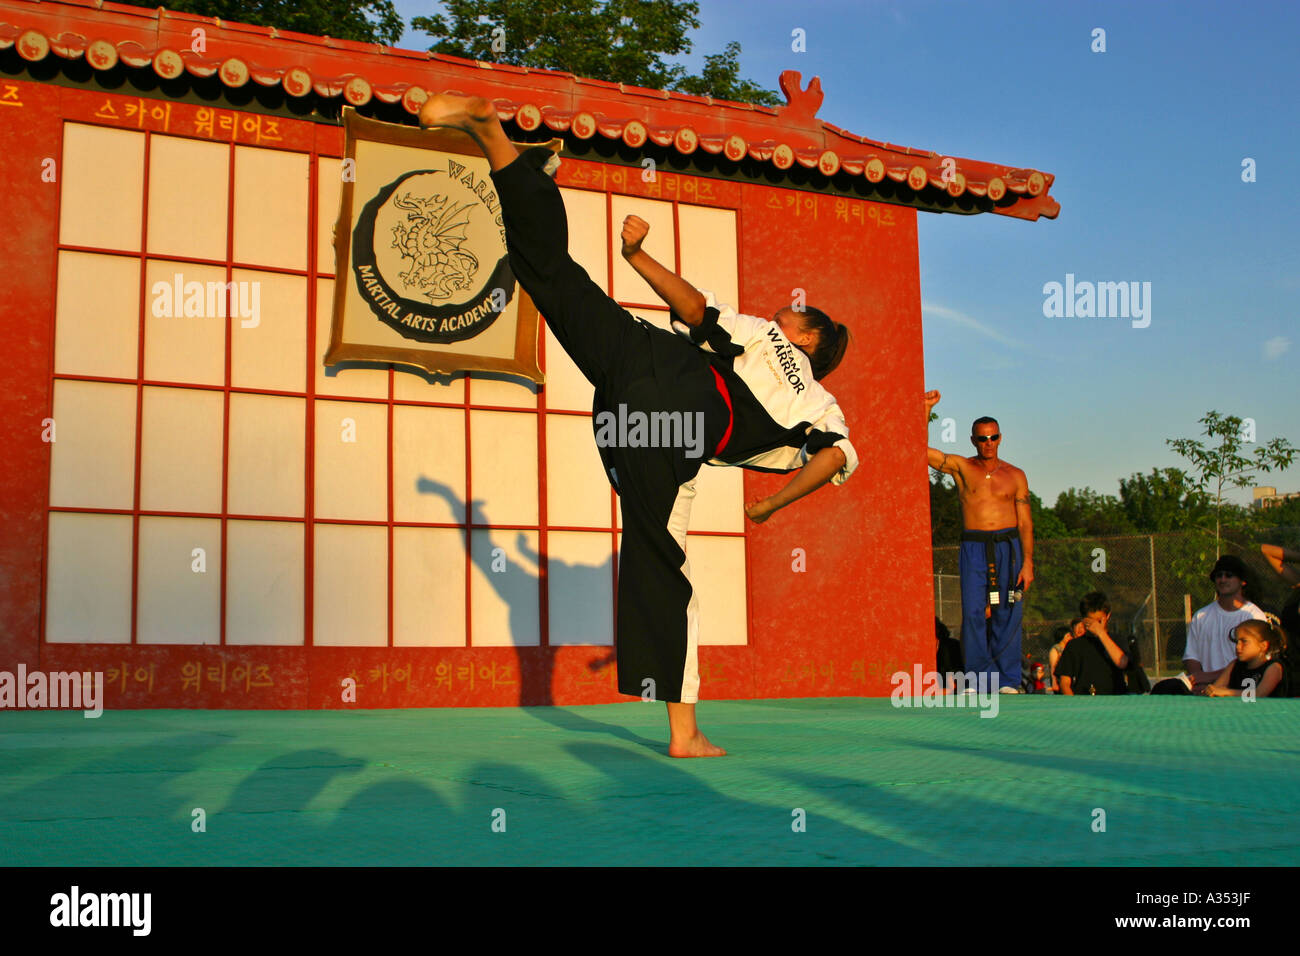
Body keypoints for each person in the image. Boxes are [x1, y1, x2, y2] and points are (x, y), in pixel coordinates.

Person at [419, 94, 857, 758]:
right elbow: (830, 460)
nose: (787, 310)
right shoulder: (823, 409)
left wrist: (636, 259)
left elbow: (695, 308)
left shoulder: (766, 339)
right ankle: (685, 734)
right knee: (660, 564)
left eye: (800, 315)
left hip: (641, 358)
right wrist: (770, 503)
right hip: (670, 421)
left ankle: (498, 145)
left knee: (554, 275)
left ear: (810, 341)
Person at [924, 393, 1034, 693]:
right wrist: (925, 410)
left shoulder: (1016, 475)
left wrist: (1028, 562)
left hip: (1008, 547)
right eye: (982, 438)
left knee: (1007, 612)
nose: (988, 442)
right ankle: (976, 678)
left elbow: (1025, 521)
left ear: (1000, 439)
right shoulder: (962, 467)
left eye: (993, 437)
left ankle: (1007, 680)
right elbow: (918, 452)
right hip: (974, 546)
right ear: (974, 440)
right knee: (973, 611)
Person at [1054, 592, 1128, 695]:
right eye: (1091, 622)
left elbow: (1122, 662)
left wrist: (1101, 633)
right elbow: (1065, 682)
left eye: (1098, 621)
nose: (1095, 626)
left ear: (1108, 616)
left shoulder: (1118, 640)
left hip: (1115, 700)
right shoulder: (1074, 645)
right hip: (1084, 702)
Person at [1203, 619, 1286, 698]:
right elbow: (1216, 688)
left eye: (1244, 641)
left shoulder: (1273, 667)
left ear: (1263, 646)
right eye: (1237, 642)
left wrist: (1227, 692)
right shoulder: (1235, 665)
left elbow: (1259, 694)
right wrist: (1210, 690)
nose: (1238, 647)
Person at [1048, 618, 1085, 692]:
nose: (1070, 638)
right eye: (1068, 636)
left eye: (1082, 627)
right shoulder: (1056, 649)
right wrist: (1054, 682)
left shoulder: (1076, 645)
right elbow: (1053, 667)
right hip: (1061, 681)